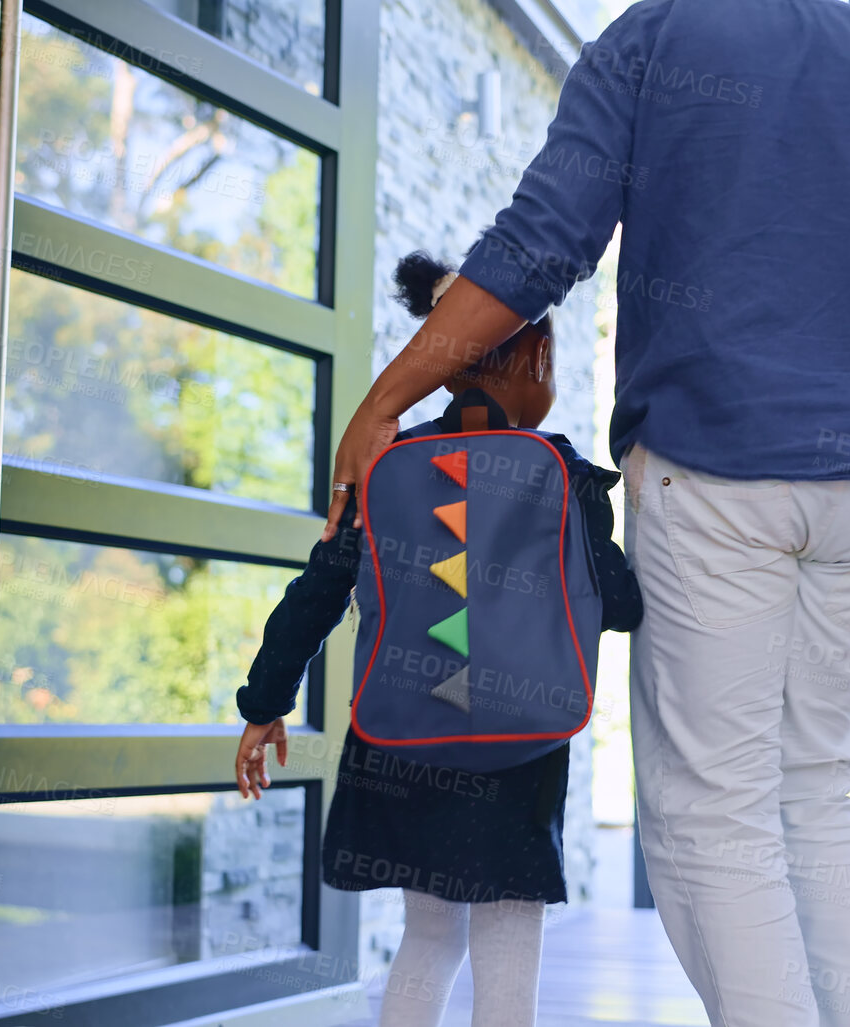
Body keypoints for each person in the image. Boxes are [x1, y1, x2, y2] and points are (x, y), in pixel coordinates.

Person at [320, 2, 850, 1024]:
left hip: (719, 465)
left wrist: (386, 400)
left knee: (715, 823)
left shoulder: (655, 39)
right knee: (817, 799)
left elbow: (538, 248)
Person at [232, 251, 642, 1027]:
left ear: (444, 369)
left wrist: (263, 703)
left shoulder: (382, 469)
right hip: (518, 740)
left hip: (403, 737)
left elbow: (316, 593)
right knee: (508, 928)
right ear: (542, 358)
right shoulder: (566, 474)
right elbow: (619, 604)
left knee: (428, 933)